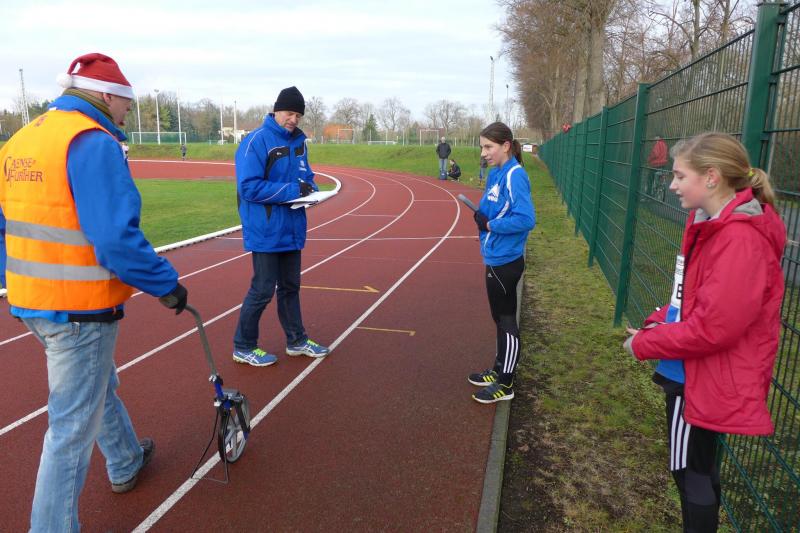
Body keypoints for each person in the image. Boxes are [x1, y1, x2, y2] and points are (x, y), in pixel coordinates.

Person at [0, 53, 188, 532]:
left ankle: (125, 459)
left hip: (29, 298)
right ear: (107, 96)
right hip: (79, 307)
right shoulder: (92, 141)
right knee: (70, 428)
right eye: (126, 103)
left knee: (95, 386)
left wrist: (18, 281)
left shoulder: (22, 139)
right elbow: (115, 238)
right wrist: (165, 284)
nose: (126, 113)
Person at [623, 132, 785, 532]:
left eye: (680, 176)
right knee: (696, 467)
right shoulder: (711, 224)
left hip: (699, 375)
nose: (672, 185)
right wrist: (660, 320)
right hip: (696, 370)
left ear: (711, 177)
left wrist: (644, 343)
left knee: (689, 471)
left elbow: (714, 328)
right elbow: (694, 299)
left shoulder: (738, 238)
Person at [232, 86, 329, 366]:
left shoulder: (300, 142)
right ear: (276, 111)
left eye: (298, 115)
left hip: (292, 227)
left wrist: (310, 188)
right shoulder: (256, 141)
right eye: (289, 113)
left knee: (290, 287)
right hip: (265, 229)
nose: (293, 120)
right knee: (262, 289)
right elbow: (248, 187)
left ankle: (296, 340)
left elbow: (306, 176)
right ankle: (243, 345)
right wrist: (293, 191)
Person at [468, 122, 536, 404]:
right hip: (494, 255)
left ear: (506, 146)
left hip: (506, 260)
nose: (483, 152)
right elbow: (492, 208)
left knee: (506, 319)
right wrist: (481, 217)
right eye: (482, 147)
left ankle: (505, 383)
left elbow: (526, 219)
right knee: (498, 317)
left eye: (488, 147)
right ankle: (498, 369)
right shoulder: (496, 173)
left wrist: (491, 225)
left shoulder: (515, 175)